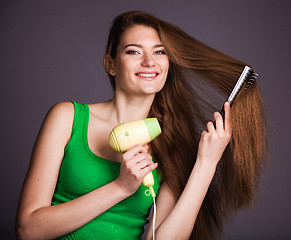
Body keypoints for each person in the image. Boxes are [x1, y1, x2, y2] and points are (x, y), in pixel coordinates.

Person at [15, 11, 268, 240]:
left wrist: (206, 163)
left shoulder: (171, 144)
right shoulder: (67, 118)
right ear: (111, 65)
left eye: (159, 52)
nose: (149, 62)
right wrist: (120, 187)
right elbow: (28, 230)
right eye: (134, 51)